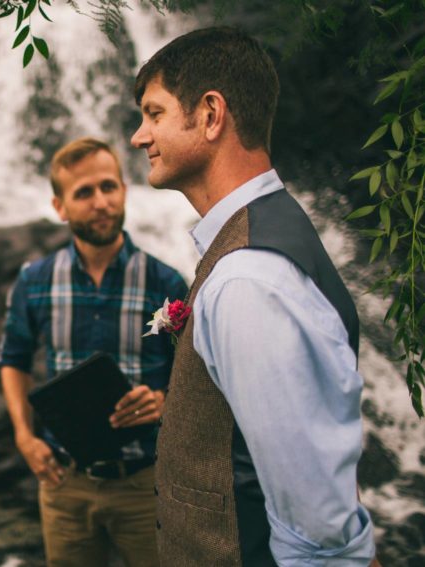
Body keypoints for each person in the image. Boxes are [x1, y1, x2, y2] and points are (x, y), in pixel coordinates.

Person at [130, 27, 379, 566]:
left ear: (211, 114)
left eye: (154, 114)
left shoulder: (249, 279)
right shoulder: (259, 239)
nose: (138, 136)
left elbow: (317, 525)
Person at [0, 137, 188, 567]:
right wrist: (25, 438)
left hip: (147, 483)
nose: (100, 201)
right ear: (60, 206)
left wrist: (164, 404)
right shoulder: (36, 281)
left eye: (109, 186)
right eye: (84, 192)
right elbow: (14, 360)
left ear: (124, 190)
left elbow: (195, 376)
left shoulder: (166, 283)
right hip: (65, 485)